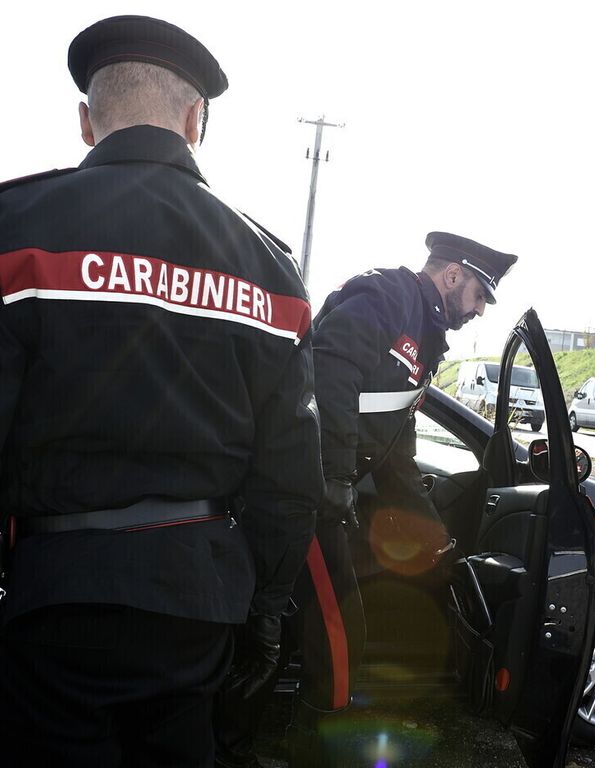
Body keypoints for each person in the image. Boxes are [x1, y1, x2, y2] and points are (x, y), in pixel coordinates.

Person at [0, 15, 322, 768]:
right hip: (198, 600)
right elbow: (289, 475)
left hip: (53, 601)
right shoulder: (267, 268)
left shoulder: (15, 232)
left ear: (87, 122)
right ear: (194, 120)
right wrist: (266, 614)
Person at [286, 232, 517, 767]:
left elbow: (396, 452)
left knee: (336, 632)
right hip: (304, 489)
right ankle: (308, 750)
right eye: (480, 294)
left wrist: (436, 539)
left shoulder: (425, 335)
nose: (480, 310)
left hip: (328, 488)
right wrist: (337, 478)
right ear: (453, 275)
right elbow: (332, 370)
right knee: (340, 635)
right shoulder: (389, 295)